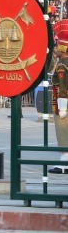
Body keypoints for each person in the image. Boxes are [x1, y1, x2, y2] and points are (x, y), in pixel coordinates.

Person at [49, 20, 68, 174]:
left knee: (62, 131)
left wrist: (62, 107)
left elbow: (62, 86)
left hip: (63, 102)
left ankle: (64, 163)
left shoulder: (62, 64)